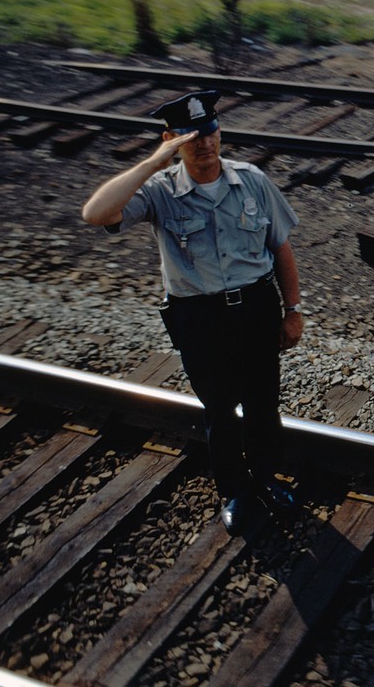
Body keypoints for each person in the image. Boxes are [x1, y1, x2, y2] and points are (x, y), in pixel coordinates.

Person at [81, 90, 304, 535]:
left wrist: (293, 310)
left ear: (219, 132)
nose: (204, 143)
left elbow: (281, 247)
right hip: (200, 318)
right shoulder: (160, 192)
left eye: (209, 131)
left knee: (263, 404)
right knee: (219, 410)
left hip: (256, 308)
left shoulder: (252, 181)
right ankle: (235, 491)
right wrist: (152, 163)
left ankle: (265, 478)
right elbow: (95, 213)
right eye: (189, 136)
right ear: (171, 140)